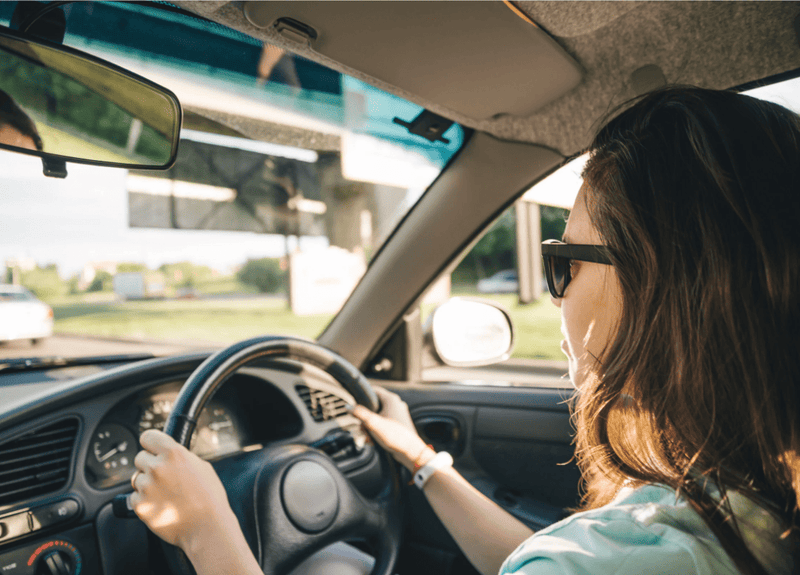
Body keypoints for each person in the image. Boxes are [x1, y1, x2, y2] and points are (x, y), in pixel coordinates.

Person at [129, 86, 800, 575]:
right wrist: (422, 462)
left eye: (563, 261)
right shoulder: (745, 503)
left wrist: (205, 528)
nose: (554, 292)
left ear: (667, 288)